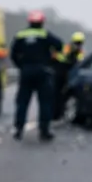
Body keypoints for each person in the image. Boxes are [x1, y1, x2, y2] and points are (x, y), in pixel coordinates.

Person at [10, 10, 62, 141]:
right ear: (42, 22)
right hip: (42, 71)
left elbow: (13, 53)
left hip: (26, 71)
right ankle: (44, 131)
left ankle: (18, 129)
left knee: (22, 101)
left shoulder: (21, 35)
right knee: (44, 102)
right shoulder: (44, 34)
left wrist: (21, 65)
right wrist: (51, 60)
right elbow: (59, 45)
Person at [52, 31, 85, 121]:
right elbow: (60, 57)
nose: (78, 45)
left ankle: (59, 113)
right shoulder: (68, 48)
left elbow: (79, 63)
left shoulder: (78, 51)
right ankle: (56, 114)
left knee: (62, 95)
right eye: (77, 43)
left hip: (66, 74)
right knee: (58, 94)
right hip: (61, 73)